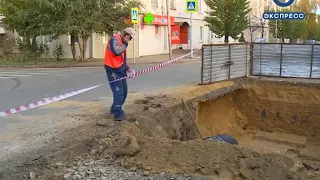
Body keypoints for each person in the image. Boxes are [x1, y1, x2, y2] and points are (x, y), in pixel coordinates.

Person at [104, 27, 135, 121]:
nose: (130, 40)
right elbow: (116, 52)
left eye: (130, 38)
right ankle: (118, 114)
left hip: (120, 69)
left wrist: (127, 68)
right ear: (126, 34)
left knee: (124, 92)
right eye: (130, 37)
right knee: (119, 92)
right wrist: (125, 44)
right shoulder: (115, 39)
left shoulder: (123, 43)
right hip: (112, 70)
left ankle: (114, 108)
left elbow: (121, 58)